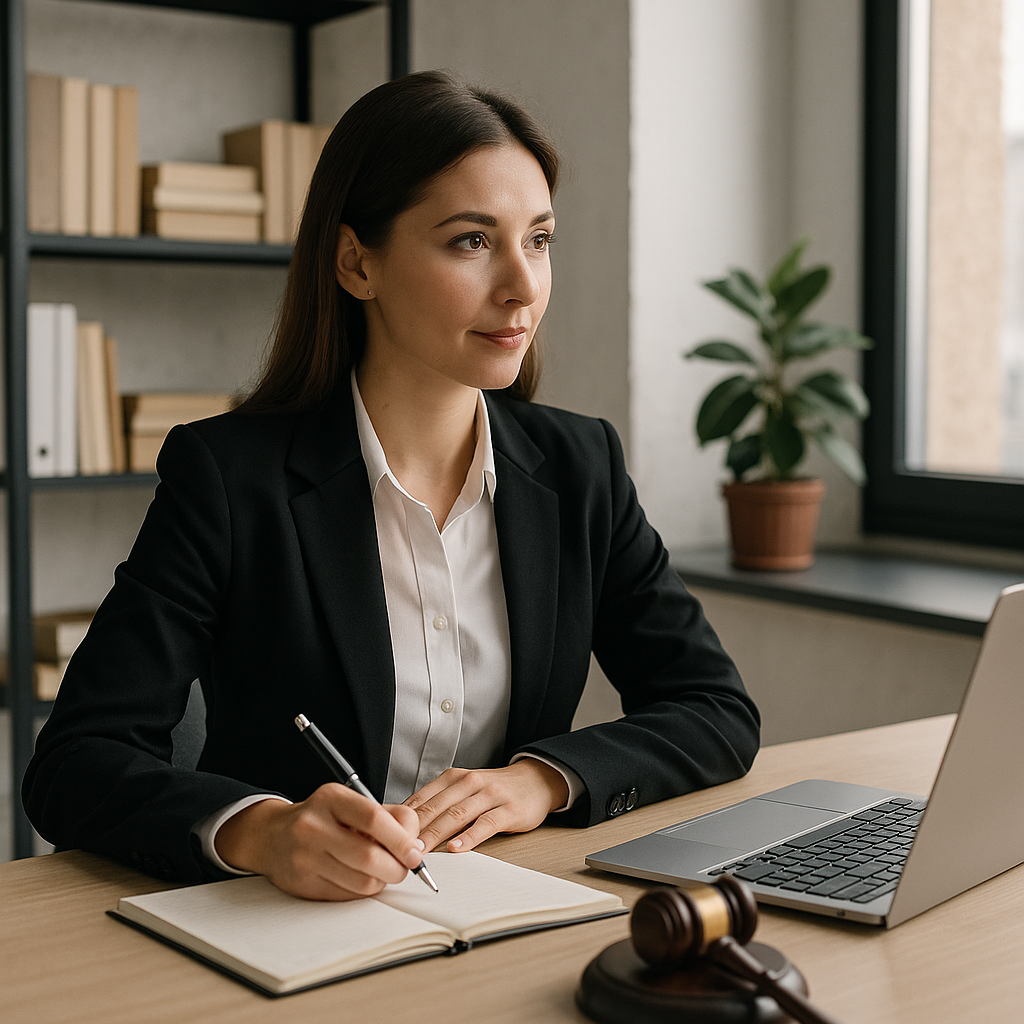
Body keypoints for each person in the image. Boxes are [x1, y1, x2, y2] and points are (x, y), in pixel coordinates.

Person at [23, 70, 759, 901]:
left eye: (540, 239)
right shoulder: (228, 479)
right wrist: (261, 830)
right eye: (471, 241)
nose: (523, 285)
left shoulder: (579, 467)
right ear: (355, 263)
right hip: (285, 931)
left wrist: (542, 780)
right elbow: (75, 764)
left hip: (507, 909)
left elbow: (714, 709)